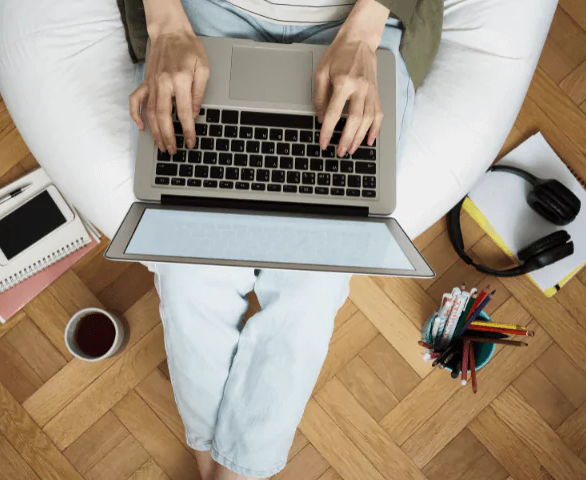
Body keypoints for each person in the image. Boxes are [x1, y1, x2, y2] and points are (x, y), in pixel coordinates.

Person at [121, 0, 443, 478]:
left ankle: (222, 469)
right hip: (205, 15)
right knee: (190, 271)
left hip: (354, 25)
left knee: (311, 289)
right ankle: (229, 470)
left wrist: (361, 34)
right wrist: (165, 22)